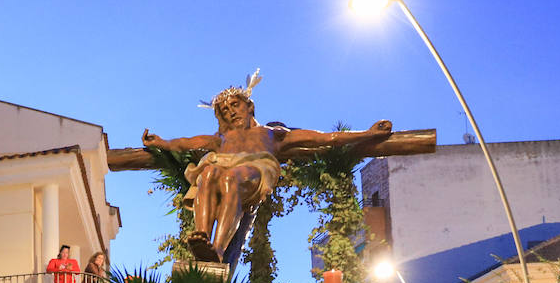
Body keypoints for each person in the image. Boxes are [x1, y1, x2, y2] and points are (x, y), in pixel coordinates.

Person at [142, 83, 392, 262]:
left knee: (231, 178)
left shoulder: (272, 134)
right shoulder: (221, 139)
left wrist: (368, 134)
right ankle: (202, 239)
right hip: (222, 164)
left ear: (249, 106)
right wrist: (161, 143)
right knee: (207, 175)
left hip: (255, 168)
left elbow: (325, 137)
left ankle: (218, 249)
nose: (230, 111)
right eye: (225, 109)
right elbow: (187, 142)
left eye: (235, 105)